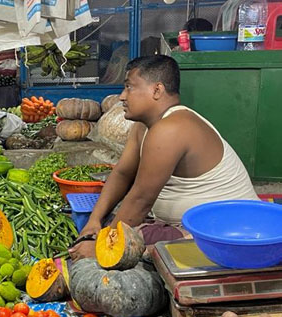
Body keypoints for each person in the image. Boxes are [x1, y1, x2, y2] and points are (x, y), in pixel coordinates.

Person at [69, 55, 258, 260]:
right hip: (178, 224)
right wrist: (94, 221)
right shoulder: (143, 127)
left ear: (157, 90)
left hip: (222, 234)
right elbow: (122, 174)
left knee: (132, 246)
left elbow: (141, 199)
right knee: (109, 222)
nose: (122, 96)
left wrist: (102, 248)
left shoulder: (172, 128)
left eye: (129, 87)